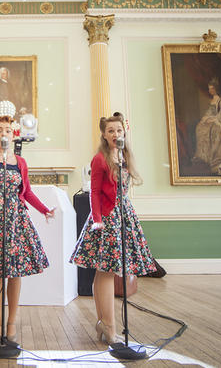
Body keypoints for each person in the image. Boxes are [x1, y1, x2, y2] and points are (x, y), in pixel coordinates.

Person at [0, 115, 55, 342]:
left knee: (15, 273)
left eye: (7, 130)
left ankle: (11, 323)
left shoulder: (20, 162)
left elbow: (26, 193)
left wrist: (44, 209)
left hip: (17, 221)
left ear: (13, 134)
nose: (3, 134)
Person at [70, 112, 156, 344]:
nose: (116, 134)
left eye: (119, 130)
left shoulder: (125, 157)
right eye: (111, 131)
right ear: (104, 135)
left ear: (124, 132)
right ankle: (109, 326)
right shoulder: (100, 159)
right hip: (107, 218)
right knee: (105, 271)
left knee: (106, 271)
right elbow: (95, 193)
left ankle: (104, 324)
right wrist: (98, 219)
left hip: (123, 216)